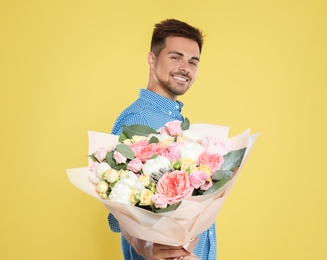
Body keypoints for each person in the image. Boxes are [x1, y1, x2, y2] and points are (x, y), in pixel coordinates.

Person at [109, 19, 217, 260]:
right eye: (175, 57)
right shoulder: (139, 118)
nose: (185, 68)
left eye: (193, 61)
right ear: (152, 59)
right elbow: (117, 200)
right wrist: (142, 245)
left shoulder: (174, 119)